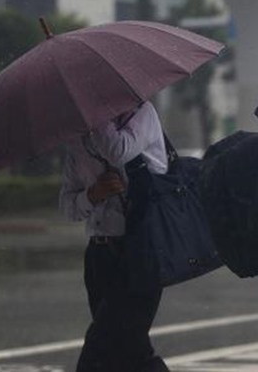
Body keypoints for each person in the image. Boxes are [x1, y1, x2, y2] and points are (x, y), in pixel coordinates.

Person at [60, 101, 170, 372]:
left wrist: (96, 114)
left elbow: (119, 151)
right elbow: (68, 206)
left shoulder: (142, 114)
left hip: (140, 251)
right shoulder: (78, 140)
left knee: (100, 347)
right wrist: (92, 195)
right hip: (99, 254)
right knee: (130, 351)